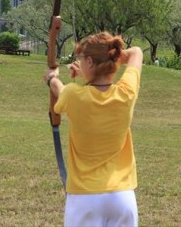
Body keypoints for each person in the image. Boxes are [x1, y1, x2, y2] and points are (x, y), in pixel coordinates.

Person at [44, 32, 143, 227]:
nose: (78, 63)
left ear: (89, 61)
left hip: (85, 197)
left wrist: (51, 78)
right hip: (122, 196)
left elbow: (59, 89)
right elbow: (136, 52)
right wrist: (106, 60)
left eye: (81, 59)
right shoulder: (126, 93)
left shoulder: (74, 95)